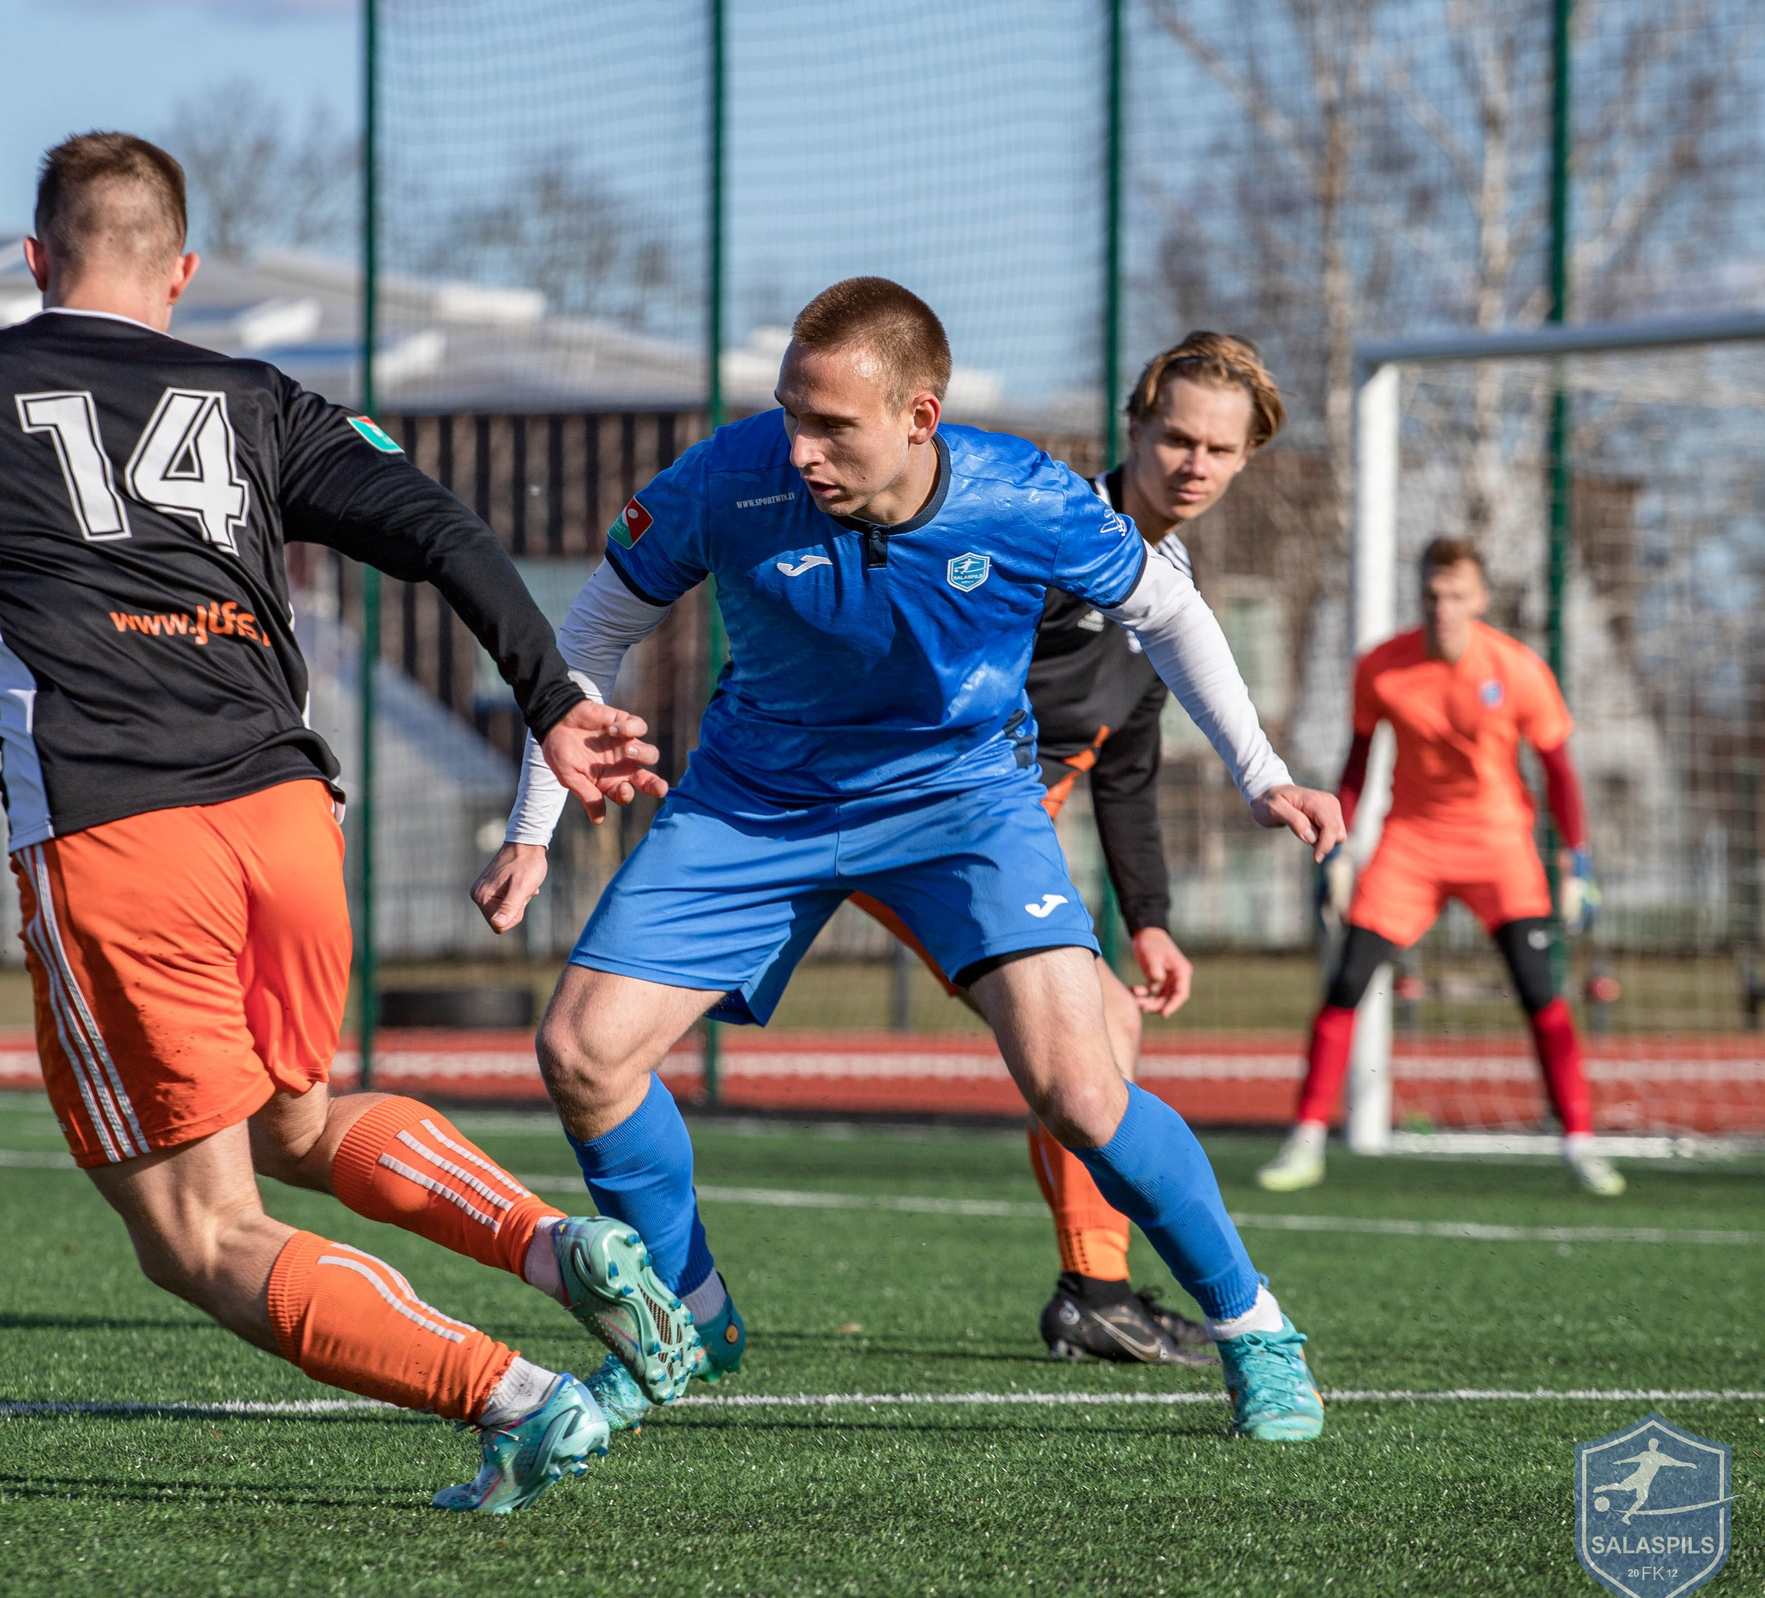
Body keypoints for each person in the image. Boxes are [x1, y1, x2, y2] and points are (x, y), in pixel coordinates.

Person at [0, 131, 698, 1513]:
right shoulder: (255, 397)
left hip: (118, 839)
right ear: (184, 270)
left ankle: (517, 1395)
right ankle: (562, 1247)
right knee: (298, 1120)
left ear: (36, 261)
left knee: (201, 1234)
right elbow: (444, 528)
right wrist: (552, 696)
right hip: (285, 823)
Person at [472, 277, 1345, 1441]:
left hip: (961, 804)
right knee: (581, 1052)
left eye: (831, 424)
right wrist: (532, 823)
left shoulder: (1025, 495)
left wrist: (1261, 770)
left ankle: (1254, 1331)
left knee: (1082, 1090)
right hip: (755, 799)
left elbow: (1171, 613)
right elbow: (588, 634)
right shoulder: (727, 479)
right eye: (790, 411)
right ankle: (690, 1317)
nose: (799, 446)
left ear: (919, 419)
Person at [845, 333, 1286, 1368]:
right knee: (623, 1030)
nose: (1194, 463)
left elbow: (1123, 765)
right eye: (1176, 436)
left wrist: (1150, 920)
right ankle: (1095, 1291)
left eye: (1220, 450)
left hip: (983, 837)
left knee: (1106, 1029)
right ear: (1133, 429)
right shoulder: (1037, 530)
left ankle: (1095, 1289)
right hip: (902, 812)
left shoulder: (1162, 592)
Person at [1258, 537, 1619, 1195]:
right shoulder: (1381, 667)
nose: (1443, 606)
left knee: (1541, 991)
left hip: (1499, 845)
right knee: (1346, 982)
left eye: (1457, 594)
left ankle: (1580, 1142)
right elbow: (1357, 760)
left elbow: (1560, 771)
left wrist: (1577, 861)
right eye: (1432, 593)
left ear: (1480, 598)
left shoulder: (1518, 668)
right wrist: (1336, 849)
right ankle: (1304, 1140)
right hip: (1412, 845)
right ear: (1418, 595)